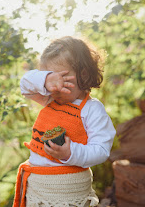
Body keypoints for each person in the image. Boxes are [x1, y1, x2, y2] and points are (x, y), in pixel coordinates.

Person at [13, 36, 116, 207]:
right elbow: (25, 85)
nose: (55, 88)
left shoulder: (91, 109)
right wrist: (45, 80)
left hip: (67, 190)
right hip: (38, 188)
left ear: (83, 74)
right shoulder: (50, 98)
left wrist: (70, 153)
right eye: (50, 79)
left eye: (61, 79)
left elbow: (101, 150)